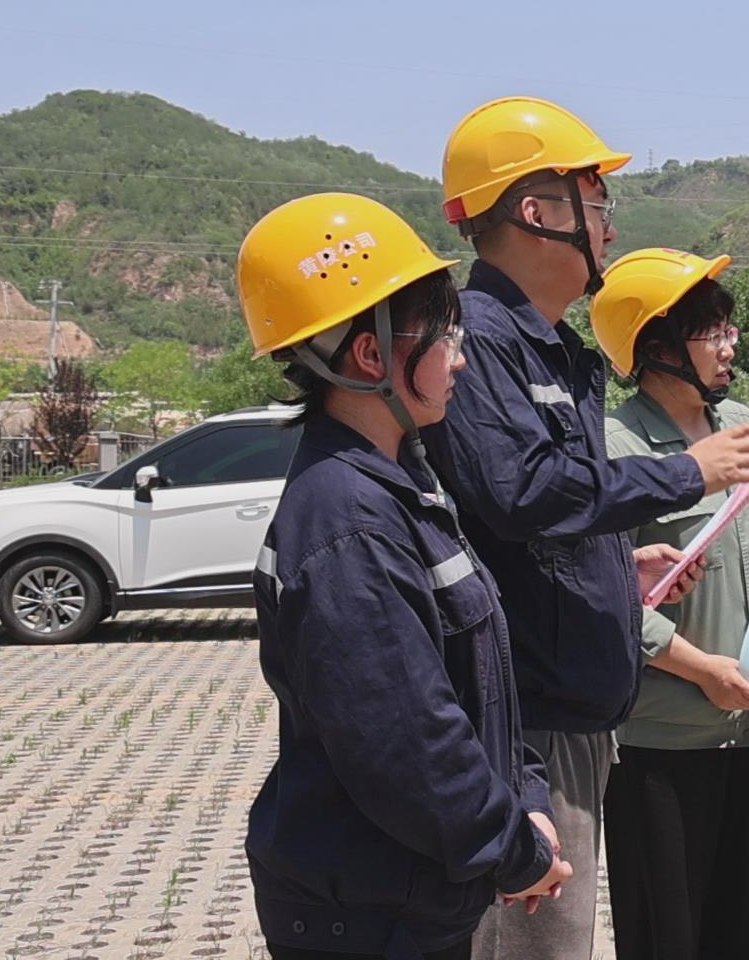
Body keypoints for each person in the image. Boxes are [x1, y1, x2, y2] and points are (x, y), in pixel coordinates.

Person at [425, 96, 749, 960]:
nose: (609, 227)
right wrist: (687, 473)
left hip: (571, 710)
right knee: (531, 946)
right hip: (529, 718)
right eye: (596, 202)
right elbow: (519, 493)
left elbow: (545, 519)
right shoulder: (484, 341)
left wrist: (618, 567)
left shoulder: (546, 348)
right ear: (536, 212)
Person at [237, 193, 571, 960]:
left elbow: (476, 676)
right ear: (370, 356)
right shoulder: (347, 522)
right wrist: (515, 849)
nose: (460, 358)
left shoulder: (399, 484)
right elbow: (409, 744)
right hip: (370, 919)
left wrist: (526, 795)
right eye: (445, 336)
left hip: (409, 901)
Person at [590, 247, 749, 959]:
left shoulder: (745, 426)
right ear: (656, 346)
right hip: (660, 742)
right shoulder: (614, 449)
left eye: (728, 328)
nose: (729, 346)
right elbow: (601, 591)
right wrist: (703, 670)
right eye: (710, 332)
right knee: (670, 936)